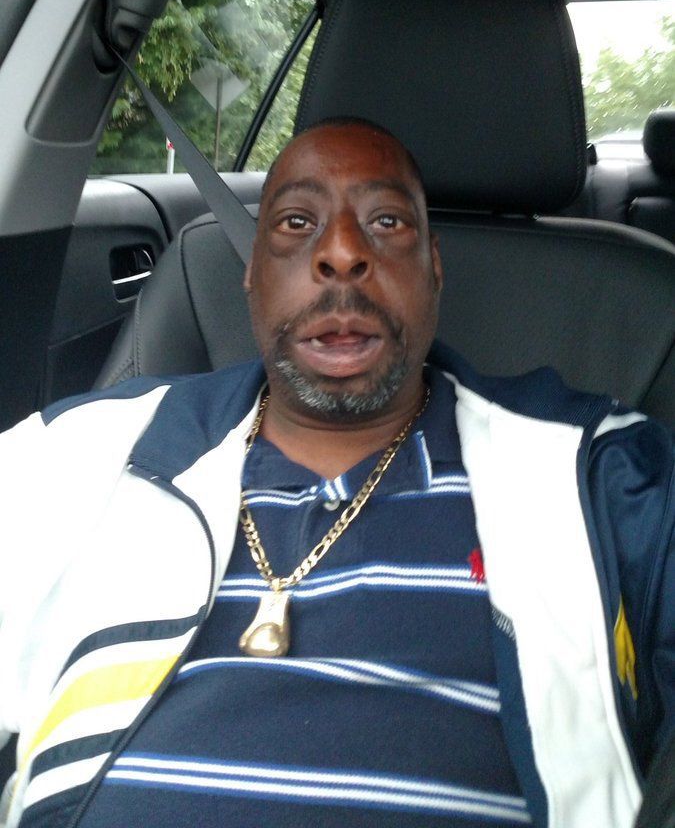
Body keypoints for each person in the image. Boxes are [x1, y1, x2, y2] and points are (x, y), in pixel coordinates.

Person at [0, 118, 672, 828]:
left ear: (433, 268)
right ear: (252, 273)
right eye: (296, 221)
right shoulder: (84, 449)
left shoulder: (587, 465)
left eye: (385, 221)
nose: (344, 252)